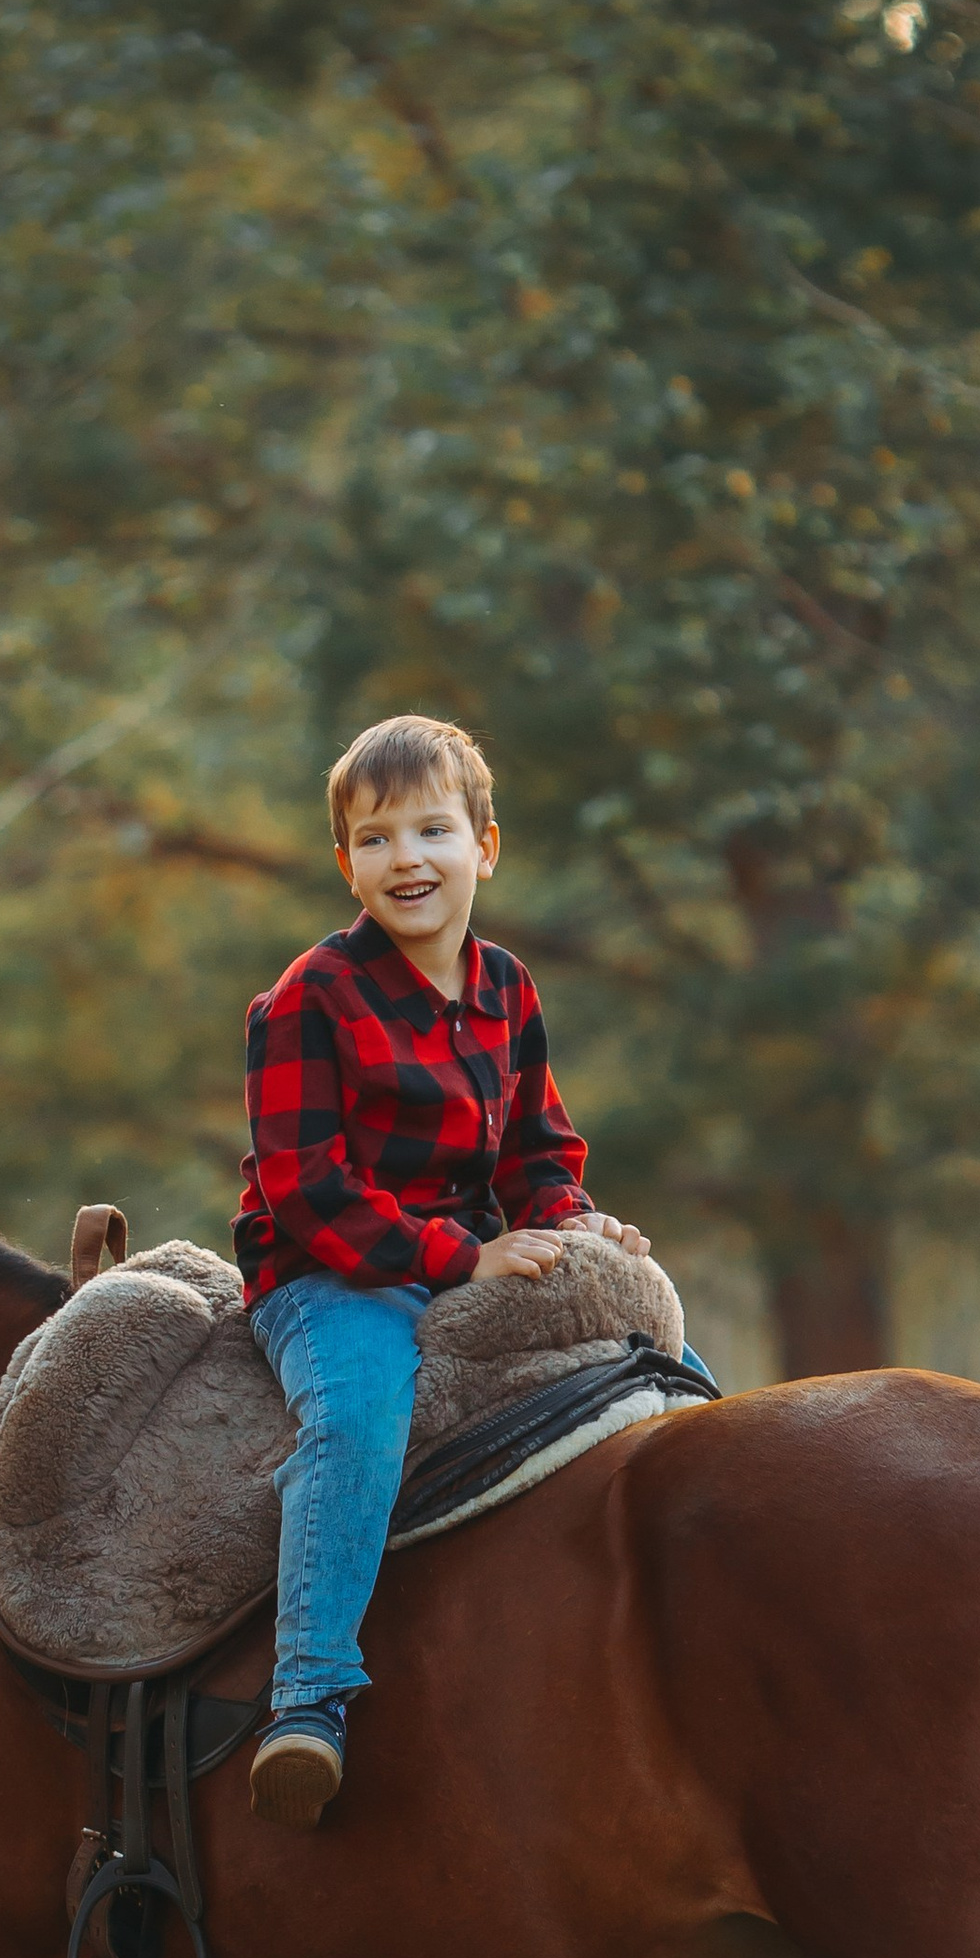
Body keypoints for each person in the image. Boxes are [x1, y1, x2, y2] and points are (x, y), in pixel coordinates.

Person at [235, 712, 647, 1828]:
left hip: (462, 1260)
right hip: (329, 1274)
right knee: (360, 1412)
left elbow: (538, 1153)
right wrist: (465, 1256)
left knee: (651, 1360)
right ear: (346, 866)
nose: (405, 858)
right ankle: (308, 1694)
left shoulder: (506, 987)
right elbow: (307, 1189)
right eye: (374, 839)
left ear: (484, 848)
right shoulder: (311, 996)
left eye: (431, 831)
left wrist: (575, 1228)